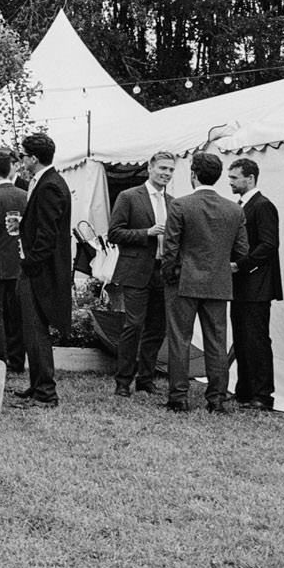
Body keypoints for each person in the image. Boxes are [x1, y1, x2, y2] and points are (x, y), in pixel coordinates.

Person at [163, 152, 249, 415]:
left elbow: (170, 248)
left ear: (193, 175)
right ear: (219, 176)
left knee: (180, 340)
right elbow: (242, 251)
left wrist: (169, 275)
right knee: (217, 342)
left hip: (184, 282)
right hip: (218, 283)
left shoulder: (180, 205)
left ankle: (179, 398)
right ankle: (217, 399)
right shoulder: (234, 209)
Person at [106, 151, 177, 397]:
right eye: (163, 168)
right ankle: (123, 381)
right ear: (150, 168)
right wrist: (146, 232)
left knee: (157, 328)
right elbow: (114, 233)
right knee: (134, 325)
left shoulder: (173, 203)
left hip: (163, 272)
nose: (166, 173)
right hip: (135, 270)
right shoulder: (129, 197)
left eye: (171, 170)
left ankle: (146, 379)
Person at [12, 131, 72, 409]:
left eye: (23, 156)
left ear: (34, 158)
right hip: (38, 268)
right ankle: (37, 385)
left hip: (40, 272)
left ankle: (45, 392)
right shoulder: (46, 181)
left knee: (36, 332)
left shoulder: (50, 186)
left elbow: (48, 236)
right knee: (32, 331)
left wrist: (29, 263)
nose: (21, 160)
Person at [228, 157, 283, 413]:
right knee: (241, 339)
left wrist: (241, 265)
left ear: (250, 178)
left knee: (256, 341)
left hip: (257, 286)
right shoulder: (241, 206)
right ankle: (244, 391)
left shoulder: (263, 206)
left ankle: (262, 395)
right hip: (241, 286)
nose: (230, 182)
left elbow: (269, 245)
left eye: (234, 178)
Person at [0, 148, 28, 374]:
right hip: (20, 262)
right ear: (11, 169)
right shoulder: (26, 196)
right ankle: (17, 360)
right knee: (17, 315)